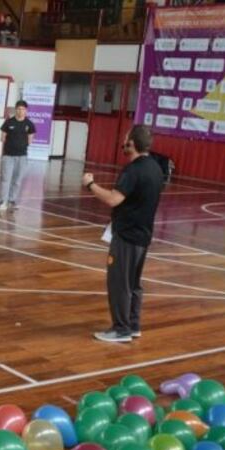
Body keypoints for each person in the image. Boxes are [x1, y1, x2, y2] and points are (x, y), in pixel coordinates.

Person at [83, 126, 164, 344]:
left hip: (127, 236)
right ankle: (133, 324)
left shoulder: (133, 170)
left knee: (119, 283)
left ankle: (121, 329)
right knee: (134, 283)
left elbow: (113, 199)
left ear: (132, 144)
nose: (123, 141)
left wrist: (90, 185)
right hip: (143, 236)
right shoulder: (156, 168)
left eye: (126, 139)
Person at [0, 99, 35, 211]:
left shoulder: (29, 124)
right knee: (6, 179)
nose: (20, 111)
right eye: (18, 109)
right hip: (8, 156)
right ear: (16, 110)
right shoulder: (9, 122)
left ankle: (12, 200)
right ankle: (3, 200)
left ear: (26, 111)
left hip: (22, 156)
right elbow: (2, 138)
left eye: (23, 109)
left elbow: (30, 140)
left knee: (17, 180)